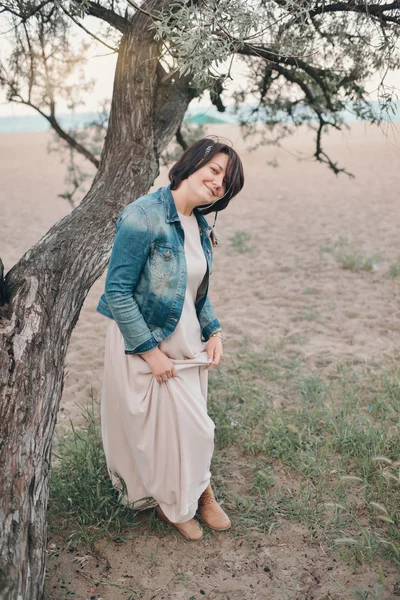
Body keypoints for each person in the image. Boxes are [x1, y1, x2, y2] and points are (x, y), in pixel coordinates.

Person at [97, 137, 244, 541]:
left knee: (193, 426)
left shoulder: (200, 225)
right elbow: (117, 292)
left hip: (188, 340)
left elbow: (196, 291)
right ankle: (175, 503)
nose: (217, 183)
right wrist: (149, 352)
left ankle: (199, 492)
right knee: (172, 431)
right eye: (214, 170)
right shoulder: (142, 215)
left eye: (225, 182)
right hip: (146, 338)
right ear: (192, 162)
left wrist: (213, 329)